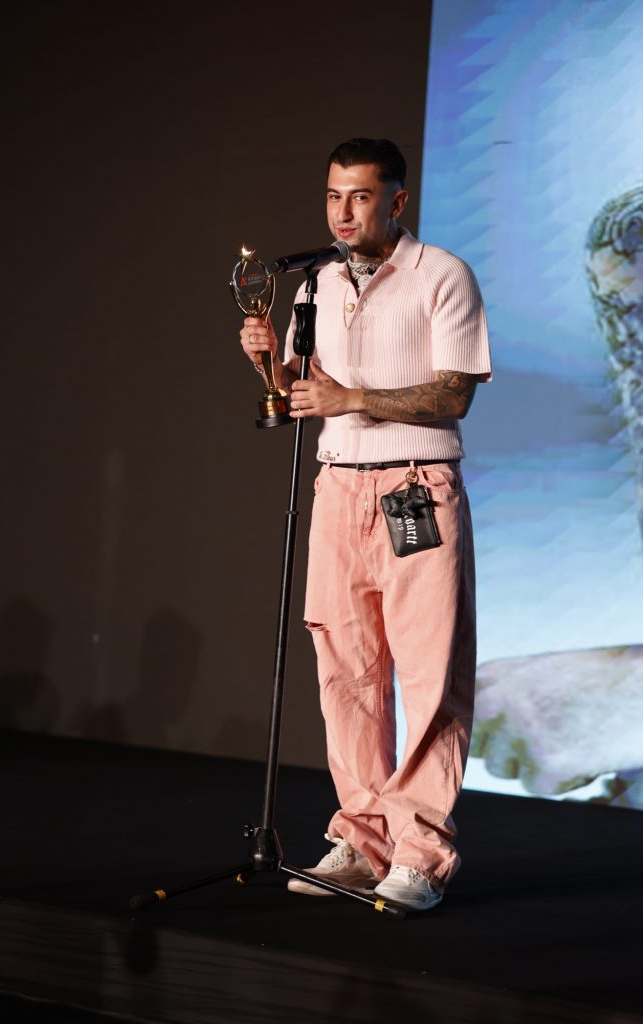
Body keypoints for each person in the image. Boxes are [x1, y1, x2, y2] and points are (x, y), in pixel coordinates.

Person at [240, 137, 491, 911]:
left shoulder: (440, 274)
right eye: (332, 196)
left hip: (413, 488)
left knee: (428, 670)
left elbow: (454, 394)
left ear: (397, 201)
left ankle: (421, 853)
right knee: (345, 670)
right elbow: (303, 392)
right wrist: (266, 364)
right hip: (338, 488)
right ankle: (364, 837)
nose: (342, 212)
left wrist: (352, 399)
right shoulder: (316, 284)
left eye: (359, 196)